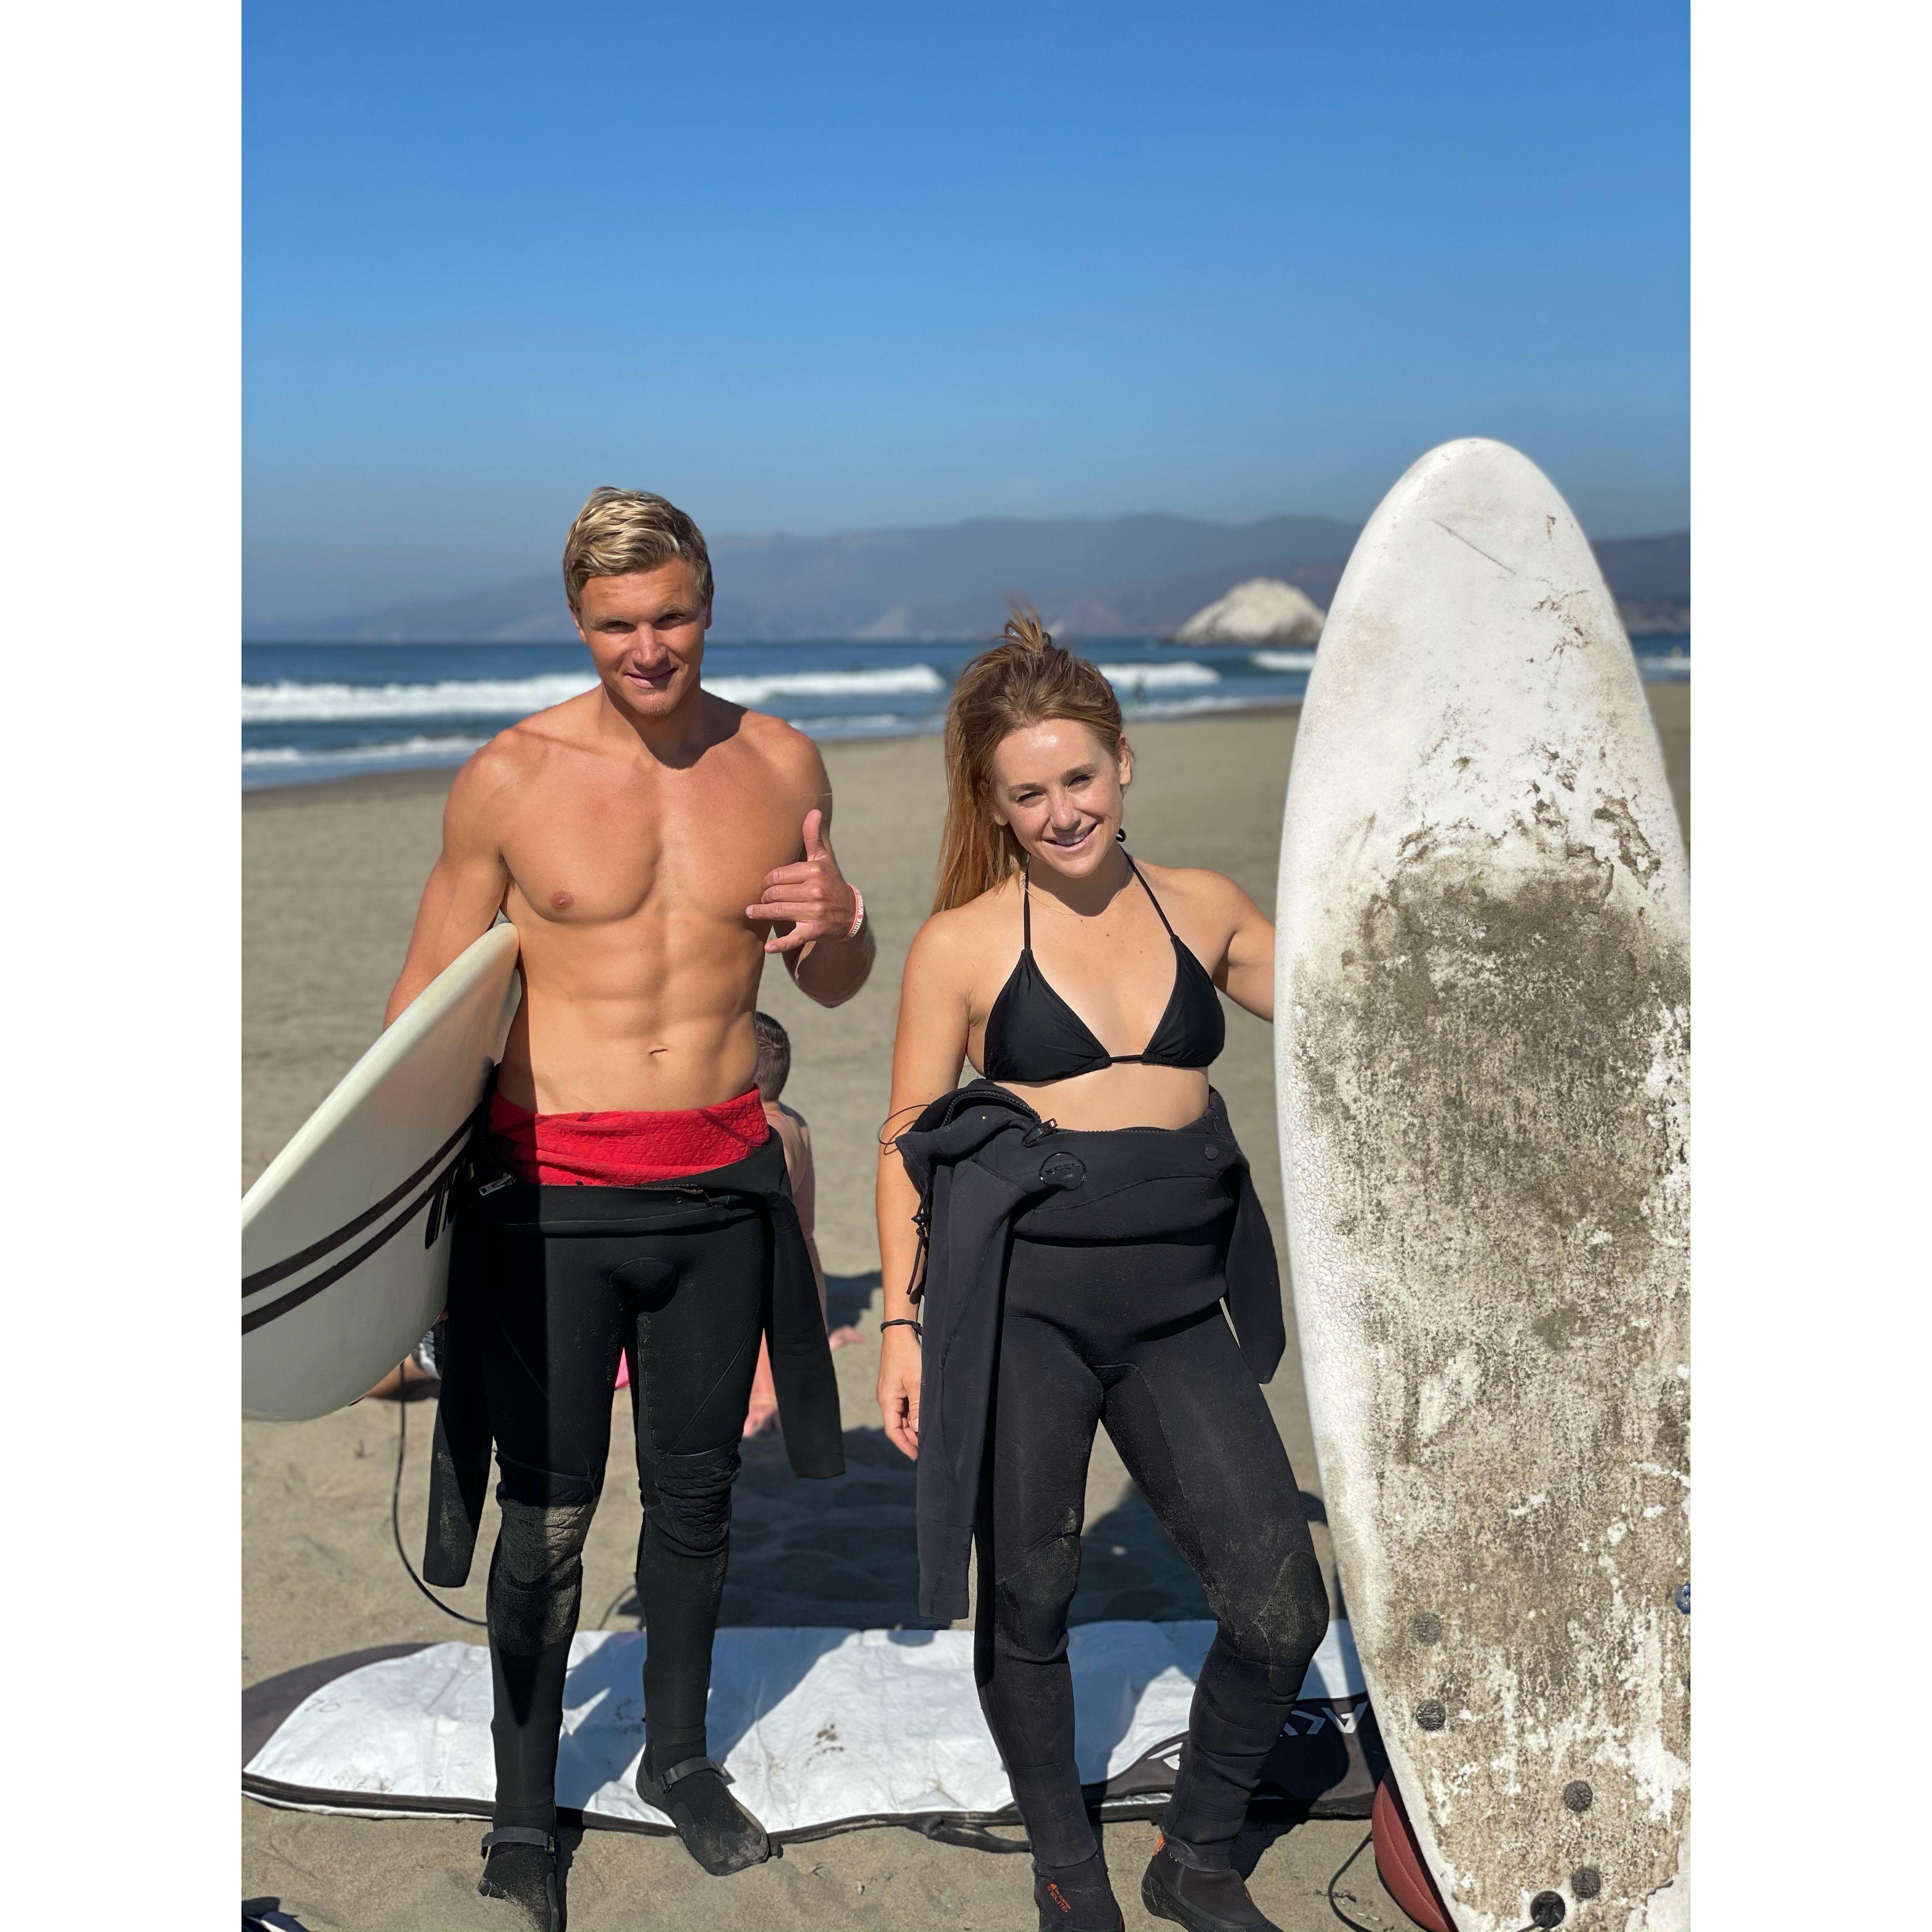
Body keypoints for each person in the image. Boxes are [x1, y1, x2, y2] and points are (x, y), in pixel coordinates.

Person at [386, 487, 875, 1932]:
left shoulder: (782, 756)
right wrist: (387, 1260)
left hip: (721, 1189)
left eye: (669, 618)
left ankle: (675, 1759)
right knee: (545, 1523)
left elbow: (829, 985)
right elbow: (419, 1014)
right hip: (548, 1199)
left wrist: (847, 921)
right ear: (578, 621)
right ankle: (525, 1814)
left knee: (698, 1497)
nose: (646, 648)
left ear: (708, 606)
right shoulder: (509, 779)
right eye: (616, 625)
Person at [874, 617, 1329, 1932]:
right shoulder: (963, 944)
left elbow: (1352, 1009)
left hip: (1180, 1305)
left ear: (1124, 764)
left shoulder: (1207, 908)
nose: (1061, 810)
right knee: (1031, 1592)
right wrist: (902, 1322)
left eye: (1079, 778)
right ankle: (1068, 1867)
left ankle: (1196, 1859)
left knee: (1280, 1605)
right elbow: (907, 1138)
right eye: (1029, 793)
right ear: (997, 807)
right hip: (1025, 1308)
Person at [738, 1012, 863, 1437]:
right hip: (794, 1266)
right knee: (799, 1263)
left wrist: (765, 1399)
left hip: (755, 1274)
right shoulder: (795, 1123)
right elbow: (807, 1239)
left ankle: (766, 1396)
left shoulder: (758, 1136)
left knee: (753, 1293)